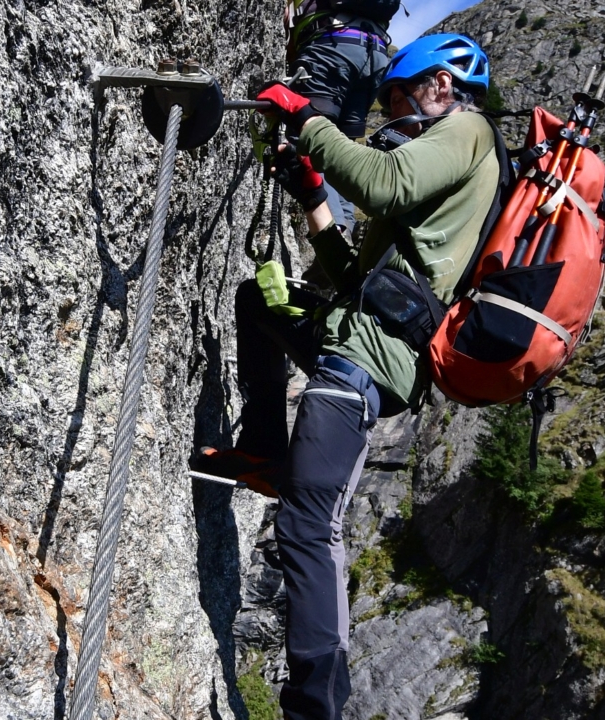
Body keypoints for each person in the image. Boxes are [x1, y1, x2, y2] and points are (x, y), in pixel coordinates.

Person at [200, 34, 499, 720]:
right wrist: (312, 194)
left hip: (367, 358)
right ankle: (266, 451)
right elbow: (358, 280)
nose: (394, 111)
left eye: (402, 96)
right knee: (258, 301)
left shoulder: (469, 131)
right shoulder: (433, 194)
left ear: (442, 87)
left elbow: (383, 180)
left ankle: (316, 708)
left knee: (310, 526)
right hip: (360, 335)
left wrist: (308, 120)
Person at [279, 0, 398, 233]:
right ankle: (348, 234)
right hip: (375, 54)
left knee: (312, 141)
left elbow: (287, 16)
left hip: (331, 46)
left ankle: (336, 233)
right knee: (342, 150)